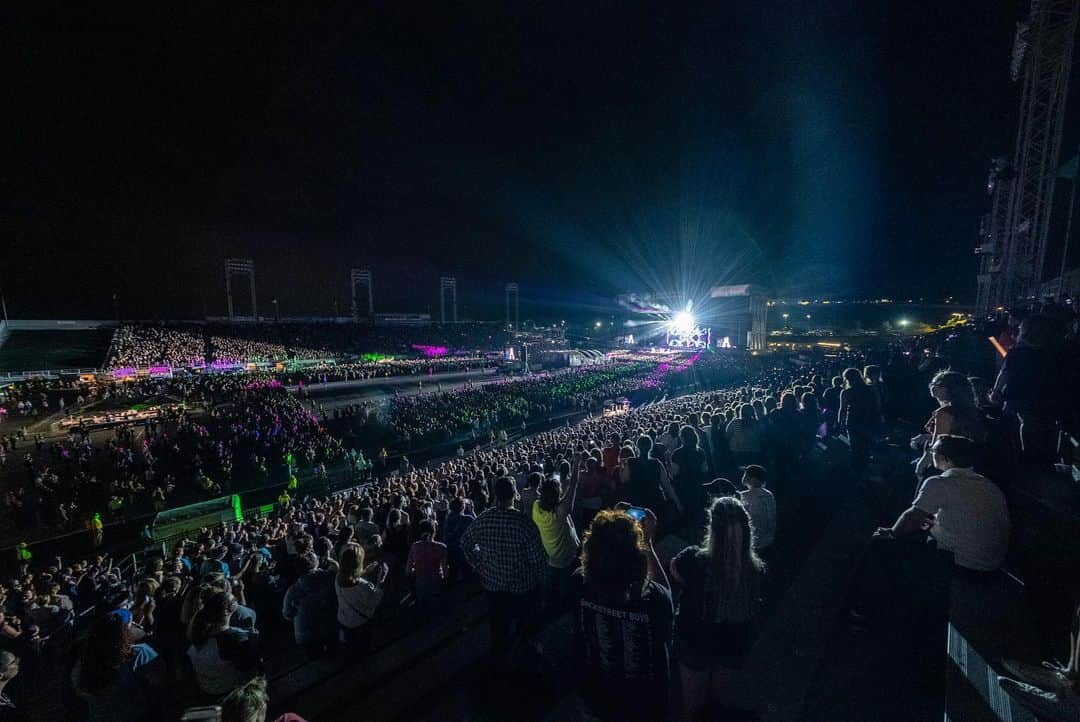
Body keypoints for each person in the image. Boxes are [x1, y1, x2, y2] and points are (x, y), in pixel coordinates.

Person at [572, 508, 672, 722]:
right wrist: (649, 545)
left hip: (596, 692)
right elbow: (667, 599)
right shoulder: (652, 599)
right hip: (643, 701)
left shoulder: (579, 584)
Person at [671, 497, 764, 721]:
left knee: (693, 707)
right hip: (734, 645)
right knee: (717, 704)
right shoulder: (756, 570)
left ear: (712, 528)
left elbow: (674, 571)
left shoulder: (695, 559)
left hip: (697, 641)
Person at [460, 476, 546, 664]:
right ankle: (526, 659)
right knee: (525, 627)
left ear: (495, 495)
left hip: (493, 586)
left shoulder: (484, 519)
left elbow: (465, 543)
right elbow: (538, 561)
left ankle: (500, 661)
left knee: (499, 628)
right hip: (523, 587)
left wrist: (479, 565)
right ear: (514, 494)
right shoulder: (524, 523)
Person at [71, 613, 160, 722]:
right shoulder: (140, 653)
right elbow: (158, 681)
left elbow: (80, 691)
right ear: (125, 634)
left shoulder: (83, 664)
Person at [911, 371, 987, 481]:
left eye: (934, 384)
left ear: (946, 388)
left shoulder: (945, 412)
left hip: (945, 462)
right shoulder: (969, 410)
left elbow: (939, 440)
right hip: (965, 462)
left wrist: (922, 463)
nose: (931, 387)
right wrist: (927, 437)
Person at [187, 590, 261, 698]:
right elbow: (247, 665)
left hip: (205, 686)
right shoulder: (233, 639)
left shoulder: (199, 632)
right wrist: (254, 642)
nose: (236, 600)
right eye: (233, 600)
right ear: (227, 611)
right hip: (226, 689)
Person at [532, 457, 582, 613]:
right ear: (556, 493)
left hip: (551, 553)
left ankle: (552, 605)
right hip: (567, 554)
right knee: (568, 581)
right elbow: (573, 484)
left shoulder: (536, 507)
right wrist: (577, 463)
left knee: (554, 580)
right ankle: (566, 606)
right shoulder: (560, 512)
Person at [282, 552, 337, 659]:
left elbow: (287, 614)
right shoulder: (330, 577)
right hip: (331, 625)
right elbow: (336, 569)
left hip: (307, 635)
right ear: (316, 564)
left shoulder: (293, 591)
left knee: (314, 657)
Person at [335, 544, 387, 657]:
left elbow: (351, 578)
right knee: (363, 650)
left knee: (348, 650)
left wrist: (365, 572)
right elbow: (375, 601)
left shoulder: (338, 578)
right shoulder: (363, 586)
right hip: (360, 624)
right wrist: (381, 580)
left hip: (343, 621)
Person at [622, 436, 682, 525]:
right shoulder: (656, 463)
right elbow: (667, 486)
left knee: (637, 528)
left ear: (637, 446)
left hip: (637, 501)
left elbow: (624, 479)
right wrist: (678, 503)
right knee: (653, 528)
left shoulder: (630, 462)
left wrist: (621, 467)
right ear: (650, 446)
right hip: (655, 501)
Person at [837, 367, 878, 476]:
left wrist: (840, 423)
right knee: (866, 446)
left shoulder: (846, 392)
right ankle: (865, 469)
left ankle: (856, 472)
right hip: (868, 421)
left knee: (855, 448)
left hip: (853, 423)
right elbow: (877, 405)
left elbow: (843, 410)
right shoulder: (870, 389)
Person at [670, 425, 709, 534]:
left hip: (683, 488)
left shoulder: (677, 453)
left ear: (682, 438)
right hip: (697, 486)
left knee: (686, 516)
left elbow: (674, 473)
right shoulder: (700, 452)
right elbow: (705, 470)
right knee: (697, 515)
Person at [406, 520, 448, 610]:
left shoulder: (414, 546)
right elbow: (445, 571)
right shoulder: (442, 547)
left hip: (420, 583)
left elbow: (408, 570)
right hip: (436, 582)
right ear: (434, 531)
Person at [737, 465, 776, 552]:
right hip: (767, 541)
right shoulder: (769, 494)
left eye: (746, 474)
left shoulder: (743, 495)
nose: (744, 476)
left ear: (753, 478)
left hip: (751, 543)